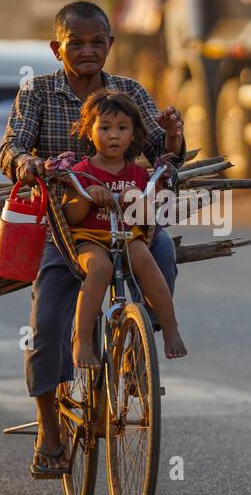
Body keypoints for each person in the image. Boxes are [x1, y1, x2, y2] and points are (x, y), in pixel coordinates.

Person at [0, 0, 184, 478]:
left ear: (109, 45)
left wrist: (170, 139)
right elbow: (12, 147)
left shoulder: (129, 92)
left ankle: (136, 345)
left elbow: (162, 155)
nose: (86, 51)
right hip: (67, 226)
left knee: (161, 250)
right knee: (47, 327)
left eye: (95, 42)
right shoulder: (37, 93)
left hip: (127, 219)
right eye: (74, 43)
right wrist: (27, 164)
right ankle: (49, 430)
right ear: (56, 47)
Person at [64, 90, 187, 368]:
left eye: (122, 128)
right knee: (99, 268)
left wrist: (135, 197)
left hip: (127, 235)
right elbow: (71, 216)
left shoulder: (138, 175)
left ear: (134, 135)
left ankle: (169, 327)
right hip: (90, 238)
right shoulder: (81, 171)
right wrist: (88, 194)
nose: (114, 135)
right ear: (89, 132)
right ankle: (82, 339)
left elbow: (146, 222)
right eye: (105, 128)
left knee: (145, 257)